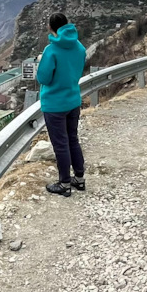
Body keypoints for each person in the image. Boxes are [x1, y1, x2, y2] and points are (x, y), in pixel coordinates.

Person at [36, 12, 86, 196]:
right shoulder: (79, 47)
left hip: (55, 104)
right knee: (73, 139)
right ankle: (79, 179)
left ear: (51, 27)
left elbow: (43, 78)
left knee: (60, 144)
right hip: (73, 100)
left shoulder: (51, 50)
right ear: (67, 25)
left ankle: (64, 184)